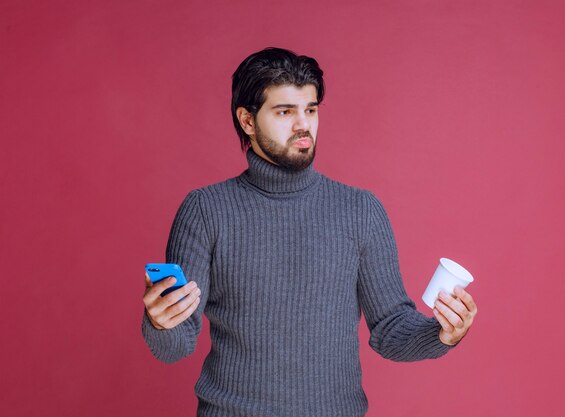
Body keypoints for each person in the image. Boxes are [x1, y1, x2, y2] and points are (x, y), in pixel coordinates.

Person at [141, 47, 477, 417]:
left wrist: (443, 334)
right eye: (285, 111)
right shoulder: (205, 211)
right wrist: (159, 321)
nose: (304, 124)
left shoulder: (360, 211)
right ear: (248, 121)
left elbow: (390, 329)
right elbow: (175, 345)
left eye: (311, 110)